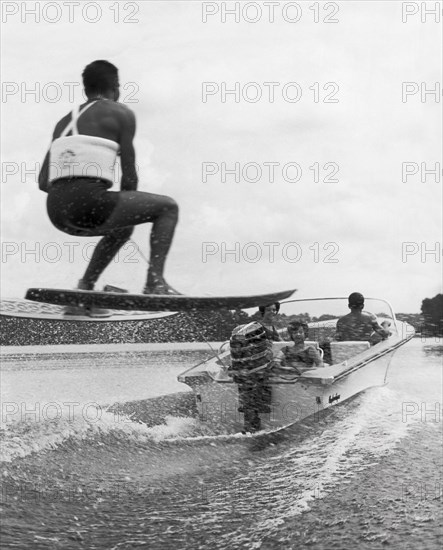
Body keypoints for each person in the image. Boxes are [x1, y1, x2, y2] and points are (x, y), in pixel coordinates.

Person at [38, 60, 179, 312]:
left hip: (56, 212)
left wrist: (73, 191)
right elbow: (129, 178)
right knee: (168, 207)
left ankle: (83, 291)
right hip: (89, 204)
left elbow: (42, 182)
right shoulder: (120, 113)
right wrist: (126, 208)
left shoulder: (62, 123)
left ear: (86, 89)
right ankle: (155, 283)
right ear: (115, 87)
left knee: (122, 230)